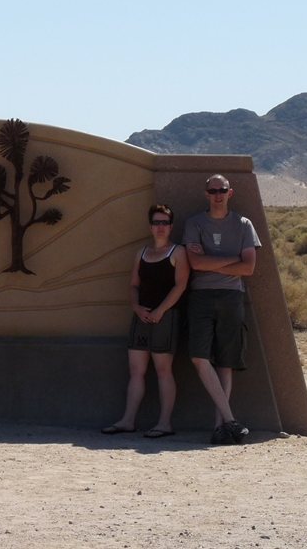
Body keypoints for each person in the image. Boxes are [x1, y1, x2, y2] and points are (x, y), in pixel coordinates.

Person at [183, 174, 261, 444]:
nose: (218, 194)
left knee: (226, 362)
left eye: (222, 190)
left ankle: (221, 427)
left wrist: (210, 261)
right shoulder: (194, 223)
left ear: (230, 193)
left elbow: (248, 267)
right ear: (206, 194)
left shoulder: (244, 224)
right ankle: (231, 420)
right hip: (201, 296)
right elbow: (195, 264)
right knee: (199, 356)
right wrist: (232, 259)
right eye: (213, 190)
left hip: (232, 296)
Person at [102, 204, 189, 438]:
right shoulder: (141, 253)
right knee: (136, 370)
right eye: (156, 223)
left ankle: (164, 423)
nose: (160, 227)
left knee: (163, 370)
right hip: (142, 317)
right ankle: (128, 420)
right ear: (150, 226)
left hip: (166, 317)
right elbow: (133, 285)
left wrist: (161, 310)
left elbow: (180, 285)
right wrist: (136, 307)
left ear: (171, 226)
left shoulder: (178, 252)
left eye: (165, 223)